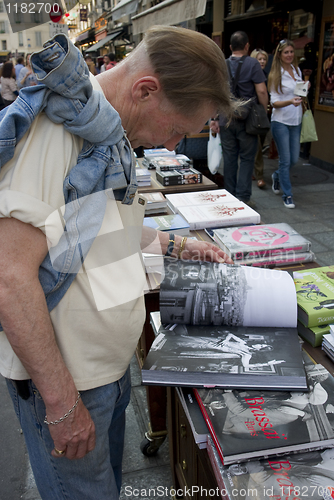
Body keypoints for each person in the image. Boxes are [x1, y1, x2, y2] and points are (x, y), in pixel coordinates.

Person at [0, 27, 234, 500]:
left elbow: (101, 231)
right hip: (69, 385)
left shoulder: (106, 129)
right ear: (146, 89)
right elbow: (9, 277)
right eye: (175, 128)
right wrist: (64, 405)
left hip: (102, 372)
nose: (172, 145)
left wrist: (176, 244)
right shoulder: (57, 134)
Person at [210, 31, 268, 205]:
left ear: (230, 47)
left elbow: (215, 94)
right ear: (247, 46)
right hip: (247, 119)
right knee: (247, 158)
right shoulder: (253, 63)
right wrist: (262, 111)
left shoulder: (222, 65)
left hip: (226, 118)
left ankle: (229, 195)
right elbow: (262, 91)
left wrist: (214, 118)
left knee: (229, 157)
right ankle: (243, 197)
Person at [268, 39, 305, 209]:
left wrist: (305, 88)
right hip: (281, 121)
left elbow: (298, 93)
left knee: (294, 159)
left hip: (296, 119)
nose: (289, 55)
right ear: (280, 55)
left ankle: (276, 176)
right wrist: (290, 101)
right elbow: (274, 102)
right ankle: (287, 194)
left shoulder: (297, 70)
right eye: (286, 52)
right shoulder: (276, 74)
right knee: (285, 160)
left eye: (291, 51)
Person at [250, 48, 269, 189]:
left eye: (264, 59)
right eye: (259, 59)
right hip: (255, 114)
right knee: (256, 147)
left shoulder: (268, 75)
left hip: (265, 114)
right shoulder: (251, 74)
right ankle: (259, 175)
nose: (262, 61)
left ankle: (253, 170)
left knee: (259, 145)